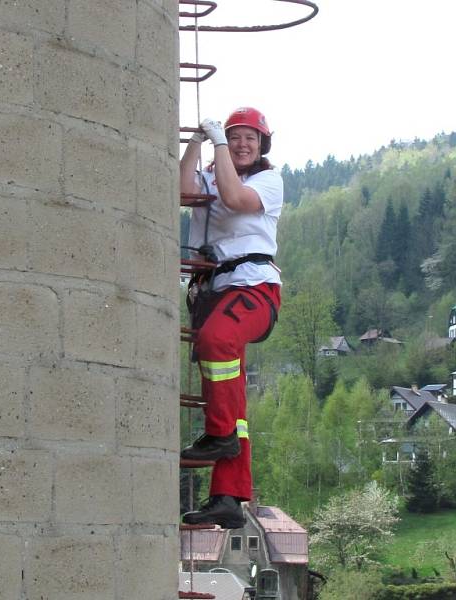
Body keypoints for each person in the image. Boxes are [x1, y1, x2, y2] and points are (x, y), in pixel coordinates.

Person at [179, 107, 283, 529]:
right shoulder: (211, 176)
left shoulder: (268, 181)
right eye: (235, 137)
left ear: (262, 147)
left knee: (216, 340)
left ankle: (218, 434)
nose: (241, 145)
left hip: (255, 288)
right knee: (233, 402)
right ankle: (227, 497)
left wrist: (219, 141)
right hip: (217, 290)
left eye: (249, 139)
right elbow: (183, 190)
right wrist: (195, 143)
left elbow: (237, 199)